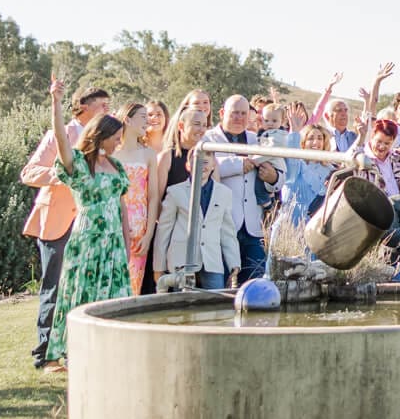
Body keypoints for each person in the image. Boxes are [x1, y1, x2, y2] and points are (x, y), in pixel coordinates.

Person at [43, 77, 130, 370]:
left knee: (114, 293)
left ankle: (110, 351)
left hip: (114, 241)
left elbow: (122, 207)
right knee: (80, 292)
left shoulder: (116, 167)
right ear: (100, 135)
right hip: (87, 239)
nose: (119, 143)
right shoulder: (79, 163)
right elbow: (60, 139)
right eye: (116, 137)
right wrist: (56, 102)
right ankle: (66, 351)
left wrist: (126, 244)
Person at [20, 83, 110, 368]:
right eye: (102, 106)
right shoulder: (59, 135)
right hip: (57, 221)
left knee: (81, 288)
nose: (107, 111)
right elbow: (29, 173)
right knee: (54, 288)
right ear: (83, 107)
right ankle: (44, 355)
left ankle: (75, 350)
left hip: (89, 223)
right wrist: (65, 174)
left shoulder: (105, 141)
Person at [154, 107, 238, 290]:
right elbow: (164, 229)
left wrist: (234, 263)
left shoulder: (222, 193)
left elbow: (227, 230)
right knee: (180, 305)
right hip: (181, 259)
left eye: (204, 125)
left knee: (214, 303)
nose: (203, 164)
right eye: (196, 124)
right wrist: (158, 267)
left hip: (211, 259)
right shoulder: (175, 191)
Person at [207, 95, 281, 285]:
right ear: (222, 113)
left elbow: (280, 173)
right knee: (219, 284)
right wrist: (238, 164)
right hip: (222, 224)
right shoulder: (209, 138)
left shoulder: (256, 138)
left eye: (243, 113)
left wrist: (273, 177)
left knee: (255, 284)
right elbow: (206, 166)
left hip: (252, 226)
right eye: (234, 113)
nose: (239, 118)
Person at [111, 101, 162, 295]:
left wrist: (149, 234)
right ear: (128, 119)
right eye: (142, 116)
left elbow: (153, 195)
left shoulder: (148, 154)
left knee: (134, 282)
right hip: (115, 221)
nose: (147, 121)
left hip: (140, 225)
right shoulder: (111, 153)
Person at [284, 124, 335, 224]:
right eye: (310, 138)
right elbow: (291, 169)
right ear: (303, 142)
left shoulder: (330, 170)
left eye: (320, 138)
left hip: (314, 226)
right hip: (288, 222)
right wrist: (294, 131)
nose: (316, 142)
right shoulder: (296, 163)